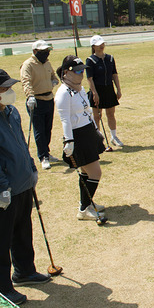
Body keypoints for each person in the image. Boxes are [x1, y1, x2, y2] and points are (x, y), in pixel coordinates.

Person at [0, 69, 50, 305]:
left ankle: (24, 271)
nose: (10, 92)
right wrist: (1, 188)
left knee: (23, 231)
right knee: (0, 241)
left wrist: (31, 168)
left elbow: (22, 144)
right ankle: (2, 288)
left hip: (21, 183)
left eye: (10, 88)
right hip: (0, 191)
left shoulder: (12, 111)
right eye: (4, 89)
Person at [56, 56, 108, 221]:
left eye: (83, 70)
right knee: (95, 172)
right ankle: (84, 209)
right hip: (77, 135)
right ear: (66, 73)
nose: (81, 74)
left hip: (88, 132)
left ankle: (86, 203)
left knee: (87, 172)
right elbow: (65, 119)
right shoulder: (63, 93)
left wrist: (96, 130)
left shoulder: (78, 89)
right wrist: (68, 141)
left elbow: (87, 111)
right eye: (77, 71)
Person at [20, 40, 59, 170]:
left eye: (47, 51)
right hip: (36, 101)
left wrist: (54, 80)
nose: (46, 54)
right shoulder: (28, 64)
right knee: (39, 130)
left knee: (48, 128)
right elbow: (26, 81)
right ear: (35, 51)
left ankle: (46, 152)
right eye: (43, 51)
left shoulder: (47, 63)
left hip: (49, 98)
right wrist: (30, 96)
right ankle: (43, 157)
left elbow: (53, 75)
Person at [85, 35, 124, 147]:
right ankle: (98, 138)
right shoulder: (90, 60)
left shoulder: (110, 58)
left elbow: (114, 74)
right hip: (97, 90)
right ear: (93, 46)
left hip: (109, 89)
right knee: (97, 116)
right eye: (98, 45)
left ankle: (114, 136)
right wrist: (94, 93)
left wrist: (118, 89)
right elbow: (89, 78)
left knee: (111, 114)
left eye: (102, 44)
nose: (101, 46)